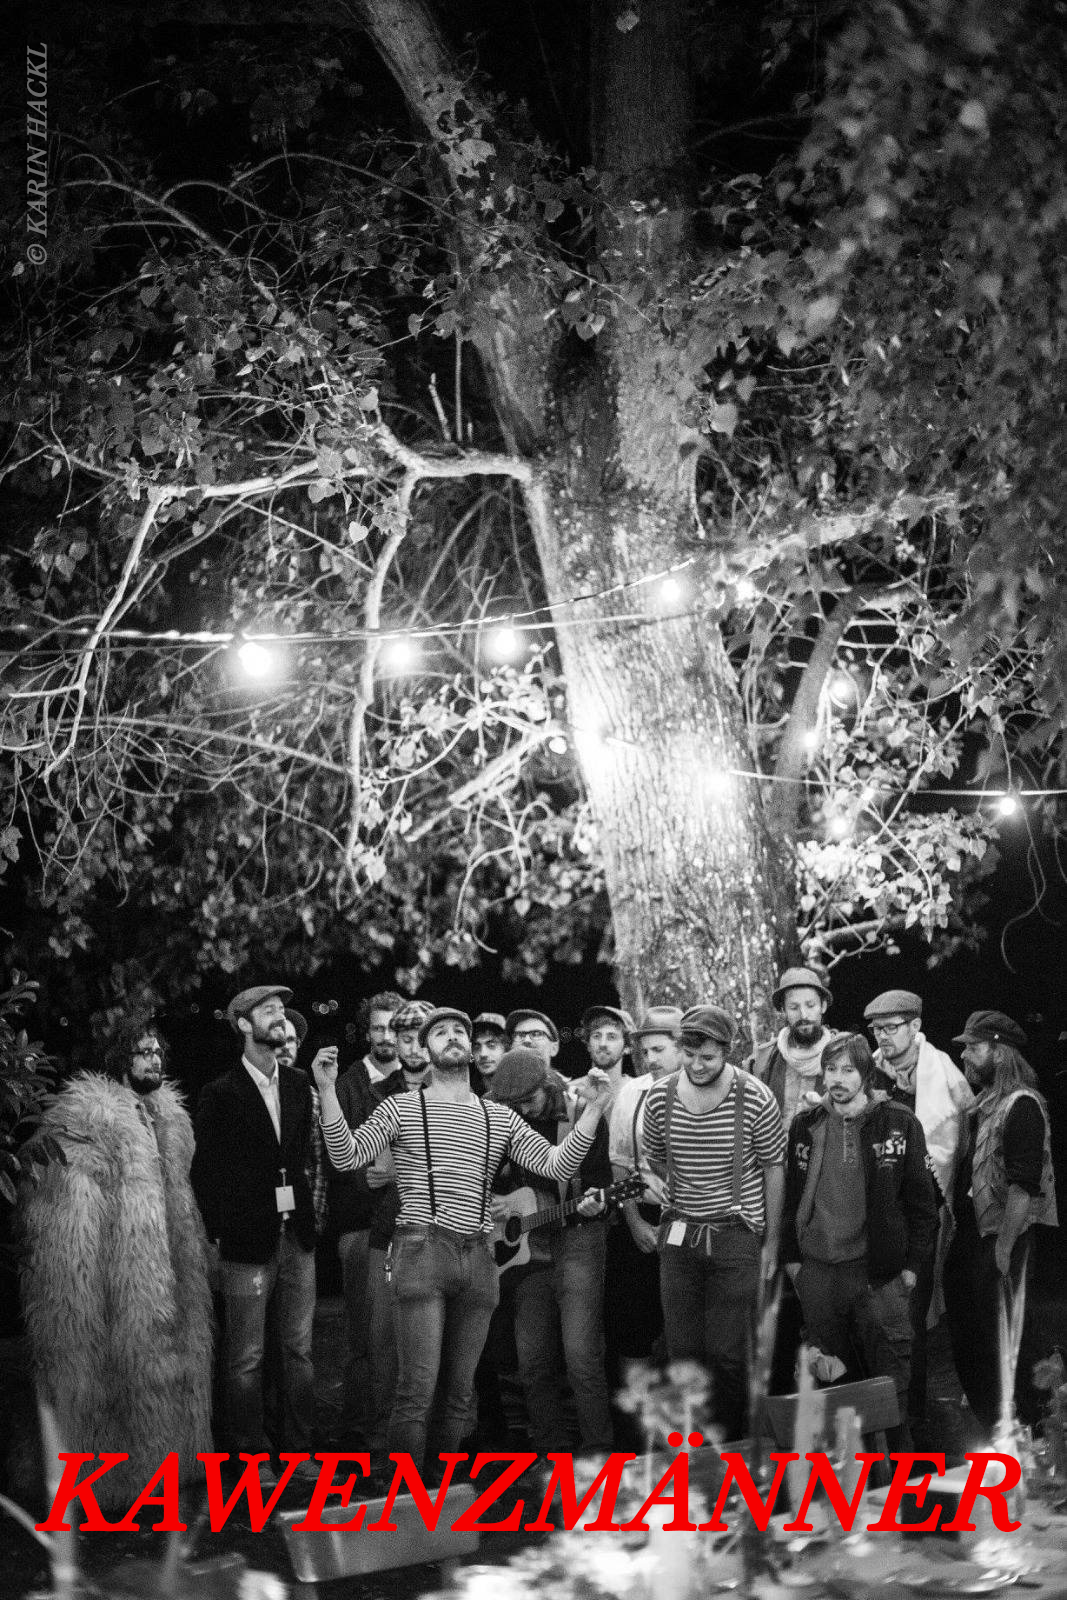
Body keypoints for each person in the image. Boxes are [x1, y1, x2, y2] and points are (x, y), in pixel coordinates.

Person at [313, 1006, 615, 1474]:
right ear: (424, 1048)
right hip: (420, 1249)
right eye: (440, 1032)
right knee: (417, 1389)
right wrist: (328, 1090)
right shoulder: (400, 1107)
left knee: (459, 1394)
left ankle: (441, 1493)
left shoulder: (497, 1115)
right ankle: (404, 1498)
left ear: (469, 1050)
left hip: (478, 1258)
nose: (452, 1036)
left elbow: (557, 1164)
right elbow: (345, 1155)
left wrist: (593, 1110)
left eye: (460, 1031)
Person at [21, 1016, 213, 1510]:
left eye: (158, 1052)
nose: (155, 1060)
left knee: (167, 1370)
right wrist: (83, 1284)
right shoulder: (87, 1118)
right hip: (119, 1270)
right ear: (119, 1060)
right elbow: (69, 1213)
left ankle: (170, 1471)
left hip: (170, 1271)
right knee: (115, 1378)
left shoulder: (172, 1122)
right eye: (143, 1052)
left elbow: (183, 1198)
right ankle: (109, 1484)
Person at [781, 1032, 938, 1450]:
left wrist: (911, 1269)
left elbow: (924, 1204)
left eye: (848, 1069)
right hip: (819, 1275)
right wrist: (794, 1264)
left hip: (877, 1277)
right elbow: (790, 1198)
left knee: (891, 1397)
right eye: (830, 1069)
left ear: (865, 1074)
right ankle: (852, 1487)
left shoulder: (898, 1121)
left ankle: (900, 1486)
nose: (837, 1078)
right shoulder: (805, 1124)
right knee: (835, 1398)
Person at [643, 1003, 786, 1441]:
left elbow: (774, 1168)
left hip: (735, 1234)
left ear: (726, 1052)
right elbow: (654, 1158)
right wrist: (668, 1184)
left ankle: (731, 1445)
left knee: (727, 1355)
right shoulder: (660, 1097)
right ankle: (692, 1446)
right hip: (680, 1233)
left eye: (707, 1057)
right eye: (689, 1055)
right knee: (682, 1351)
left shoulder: (754, 1096)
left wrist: (771, 1242)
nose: (697, 1065)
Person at [191, 985, 318, 1477]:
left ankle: (300, 1450)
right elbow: (206, 1173)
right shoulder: (220, 1093)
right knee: (246, 1355)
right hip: (246, 1241)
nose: (280, 1017)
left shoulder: (299, 1084)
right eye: (269, 1011)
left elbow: (301, 1159)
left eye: (282, 1010)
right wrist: (216, 1236)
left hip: (297, 1235)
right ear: (244, 1024)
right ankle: (250, 1456)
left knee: (299, 1349)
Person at [490, 1047, 615, 1455]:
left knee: (581, 1353)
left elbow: (601, 1184)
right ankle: (551, 1451)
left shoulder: (582, 1113)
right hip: (527, 1246)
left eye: (530, 1101)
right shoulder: (505, 1117)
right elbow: (488, 1175)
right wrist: (501, 1202)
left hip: (577, 1235)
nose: (523, 1111)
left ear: (548, 1085)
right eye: (514, 1105)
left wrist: (597, 1204)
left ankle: (599, 1450)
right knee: (531, 1358)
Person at [863, 988, 975, 1432]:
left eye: (892, 1028)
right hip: (874, 1211)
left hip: (922, 1211)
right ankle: (882, 1414)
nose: (883, 1037)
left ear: (915, 1027)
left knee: (912, 1313)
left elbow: (953, 1150)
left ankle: (913, 1416)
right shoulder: (870, 1070)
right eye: (877, 1029)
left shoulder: (943, 1074)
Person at [945, 1010, 1058, 1431]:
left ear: (999, 1051)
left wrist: (1005, 1247)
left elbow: (1023, 1187)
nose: (965, 1056)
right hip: (982, 1239)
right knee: (987, 1340)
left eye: (974, 1048)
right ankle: (1009, 1428)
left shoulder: (1022, 1105)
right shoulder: (987, 1104)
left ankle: (1042, 1429)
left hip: (1006, 1239)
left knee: (1016, 1341)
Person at [607, 1005, 683, 1390]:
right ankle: (637, 1417)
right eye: (646, 1051)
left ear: (682, 1047)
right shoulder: (631, 1093)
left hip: (691, 1222)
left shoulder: (705, 1091)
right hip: (645, 1219)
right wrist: (634, 1221)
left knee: (684, 1326)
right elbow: (620, 1164)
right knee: (635, 1325)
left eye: (659, 1050)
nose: (650, 1059)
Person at [751, 967, 836, 1130]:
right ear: (783, 1011)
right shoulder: (766, 1057)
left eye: (810, 1005)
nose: (804, 1015)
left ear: (823, 1006)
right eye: (794, 1007)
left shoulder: (841, 1053)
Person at [359, 991, 404, 1086]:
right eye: (378, 1029)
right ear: (367, 1034)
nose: (386, 1037)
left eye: (393, 1029)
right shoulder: (346, 1085)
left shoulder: (424, 1081)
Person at [472, 1012, 508, 1091]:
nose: (483, 1054)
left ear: (506, 1048)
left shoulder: (524, 1089)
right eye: (476, 1047)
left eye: (491, 1045)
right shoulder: (467, 1093)